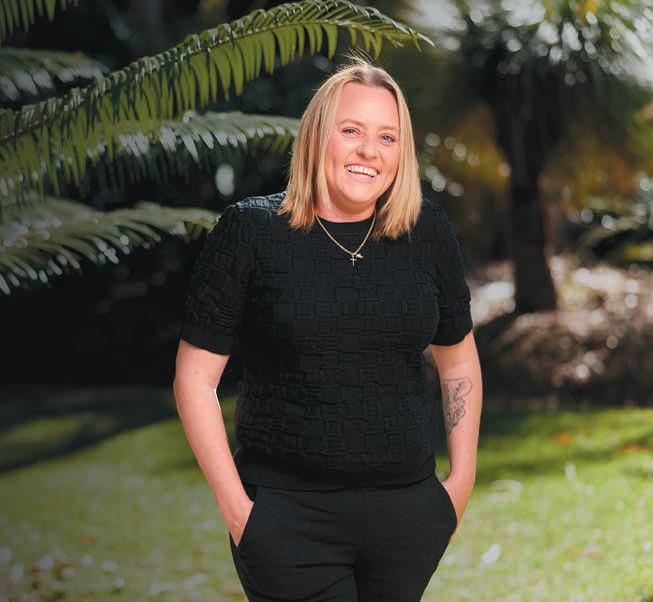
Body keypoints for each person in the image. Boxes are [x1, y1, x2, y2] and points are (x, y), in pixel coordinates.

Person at [172, 56, 483, 601]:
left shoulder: (426, 231)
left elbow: (458, 362)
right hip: (287, 522)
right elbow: (195, 379)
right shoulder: (251, 231)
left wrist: (459, 484)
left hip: (409, 519)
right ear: (318, 136)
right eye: (352, 131)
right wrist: (238, 510)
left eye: (387, 137)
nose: (369, 151)